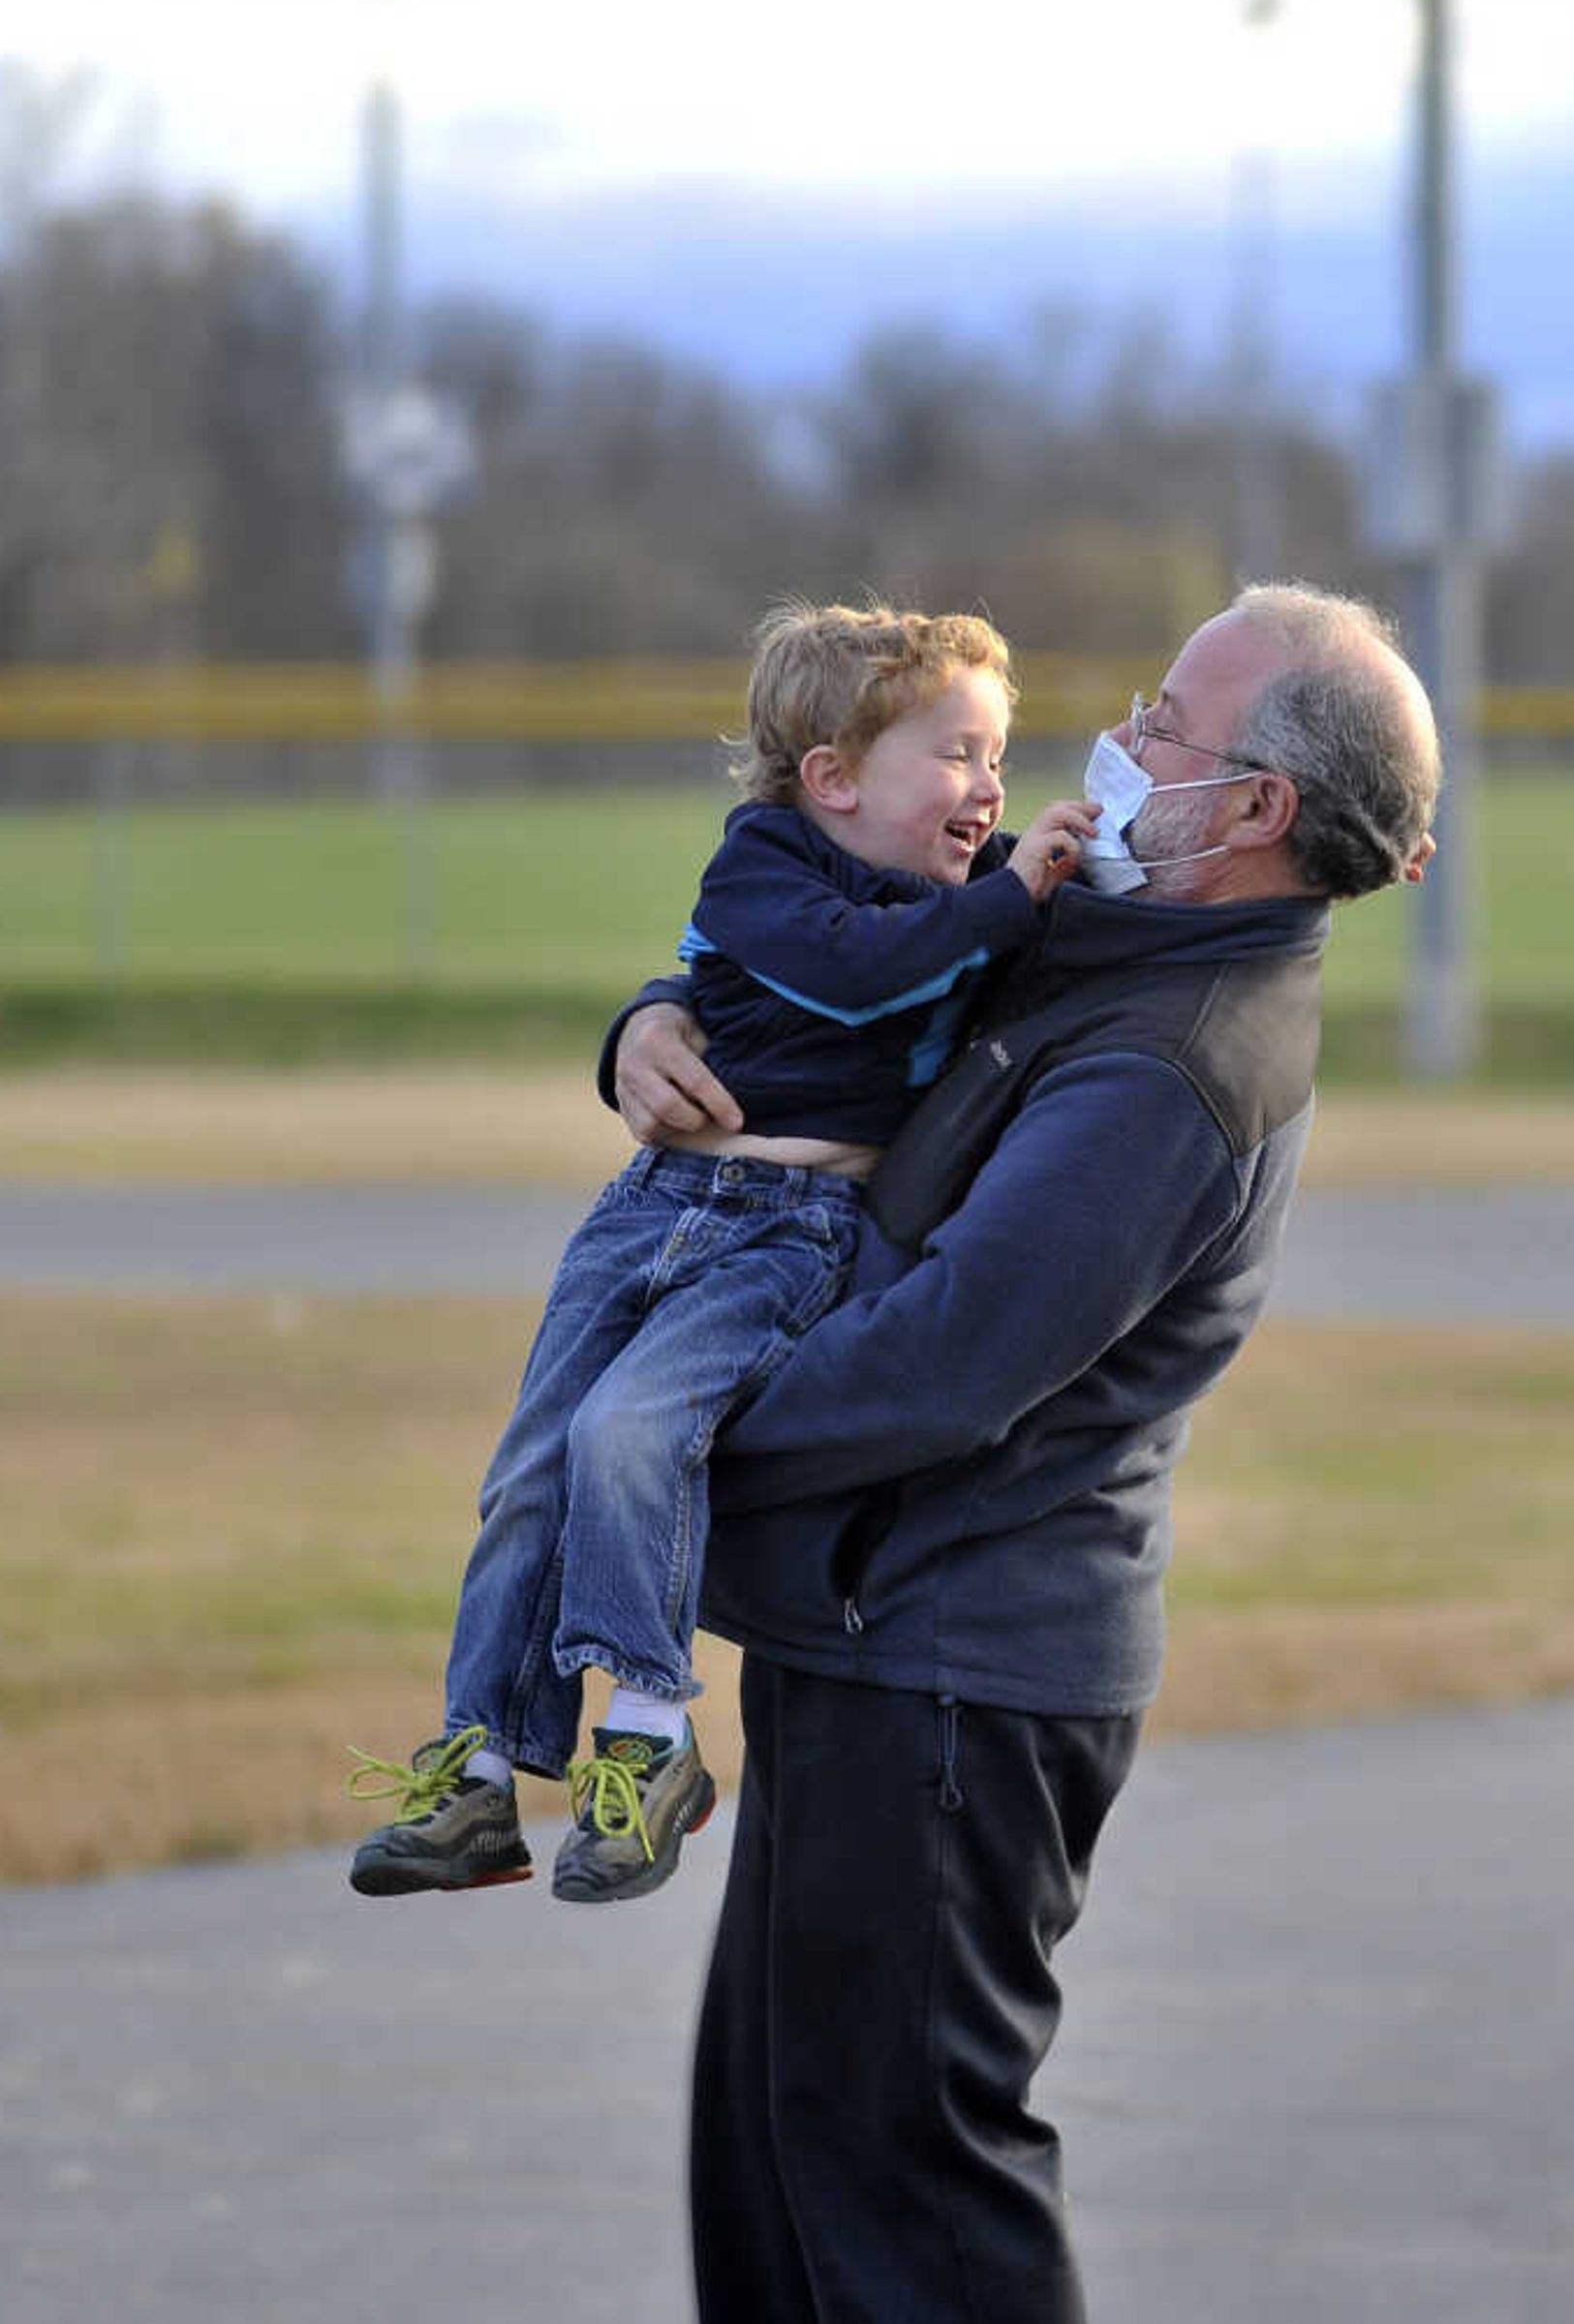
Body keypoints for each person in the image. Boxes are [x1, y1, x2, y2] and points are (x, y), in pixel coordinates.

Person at [606, 581, 1441, 2324]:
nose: (1122, 741)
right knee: (771, 2157)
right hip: (868, 1637)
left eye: (1164, 722)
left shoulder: (1177, 1058)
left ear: (1258, 808)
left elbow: (941, 1366)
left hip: (957, 1681)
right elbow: (832, 960)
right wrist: (645, 1029)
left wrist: (663, 1447)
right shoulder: (1108, 941)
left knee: (909, 2192)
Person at [344, 601, 1097, 1908]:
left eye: (998, 759)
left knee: (628, 1435)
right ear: (834, 780)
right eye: (961, 755)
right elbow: (854, 970)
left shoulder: (977, 887)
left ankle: (647, 1742)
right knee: (531, 1467)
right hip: (649, 1208)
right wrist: (1011, 900)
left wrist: (1348, 836)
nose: (991, 790)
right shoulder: (762, 868)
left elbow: (1134, 890)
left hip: (787, 1233)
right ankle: (477, 1770)